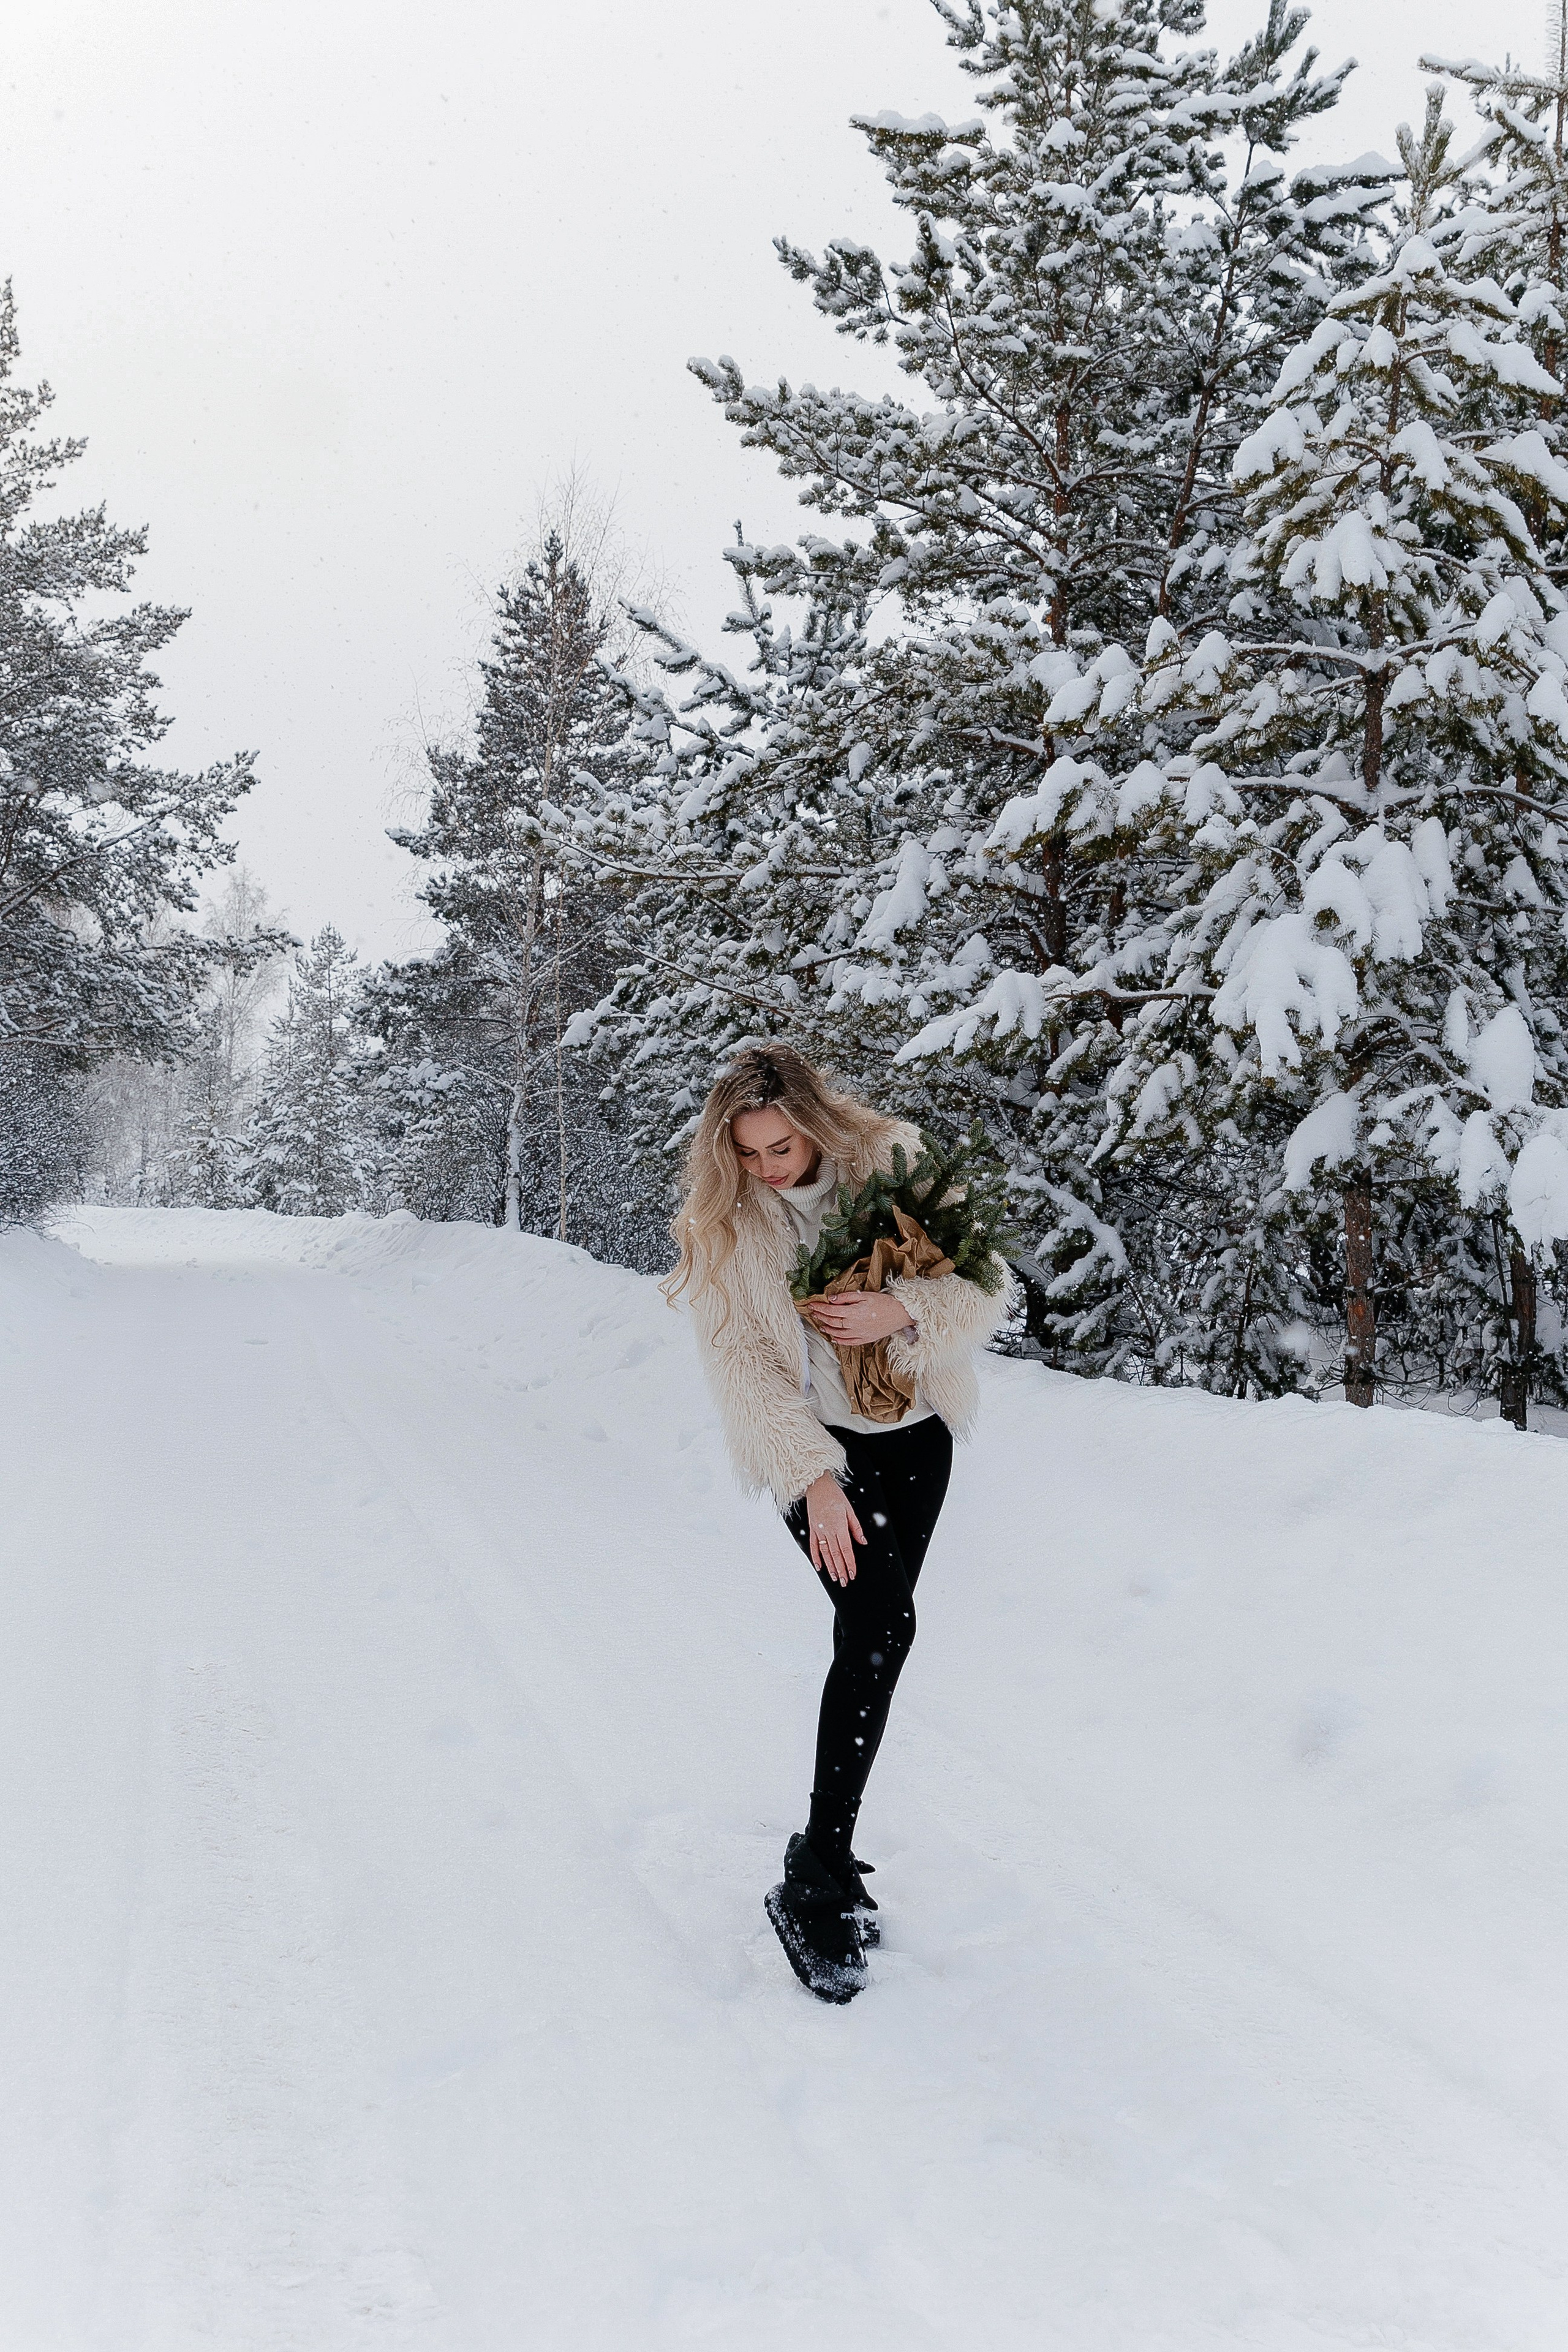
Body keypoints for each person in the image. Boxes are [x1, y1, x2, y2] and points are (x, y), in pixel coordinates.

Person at [666, 1044, 1017, 2003]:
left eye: (781, 1147)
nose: (769, 1168)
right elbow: (741, 1365)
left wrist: (902, 1309)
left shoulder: (893, 1157)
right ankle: (815, 1873)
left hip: (915, 1440)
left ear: (815, 1122)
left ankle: (826, 1854)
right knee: (880, 1627)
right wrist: (814, 1479)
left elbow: (987, 1286)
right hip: (817, 1456)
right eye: (748, 1153)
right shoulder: (727, 1230)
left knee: (875, 1633)